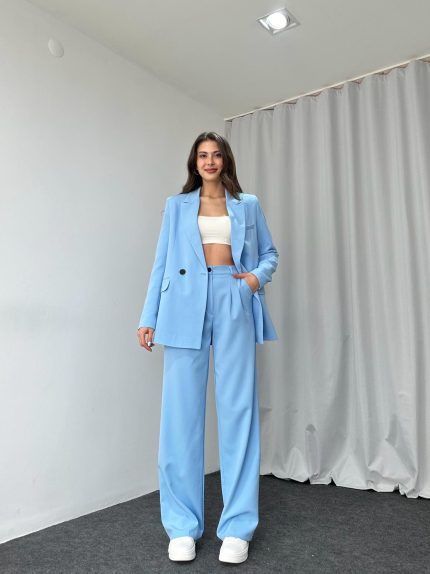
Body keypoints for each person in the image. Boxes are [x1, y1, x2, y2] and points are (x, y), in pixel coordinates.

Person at [137, 131, 279, 564]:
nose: (210, 161)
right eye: (203, 155)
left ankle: (237, 528)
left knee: (239, 412)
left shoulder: (247, 204)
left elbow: (269, 254)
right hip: (183, 303)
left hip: (233, 296)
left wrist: (252, 280)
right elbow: (161, 261)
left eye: (216, 154)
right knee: (180, 417)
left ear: (226, 160)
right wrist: (148, 317)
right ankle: (182, 526)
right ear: (194, 162)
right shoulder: (177, 205)